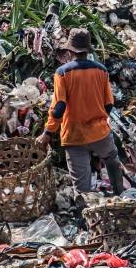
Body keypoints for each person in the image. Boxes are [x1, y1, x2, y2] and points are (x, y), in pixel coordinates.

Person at [36, 28, 124, 195]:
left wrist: (48, 132)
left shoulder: (62, 73)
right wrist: (98, 119)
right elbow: (109, 104)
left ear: (70, 50)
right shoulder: (101, 70)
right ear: (87, 50)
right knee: (112, 158)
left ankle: (84, 216)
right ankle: (120, 195)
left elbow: (59, 106)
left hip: (74, 135)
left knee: (82, 187)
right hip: (99, 132)